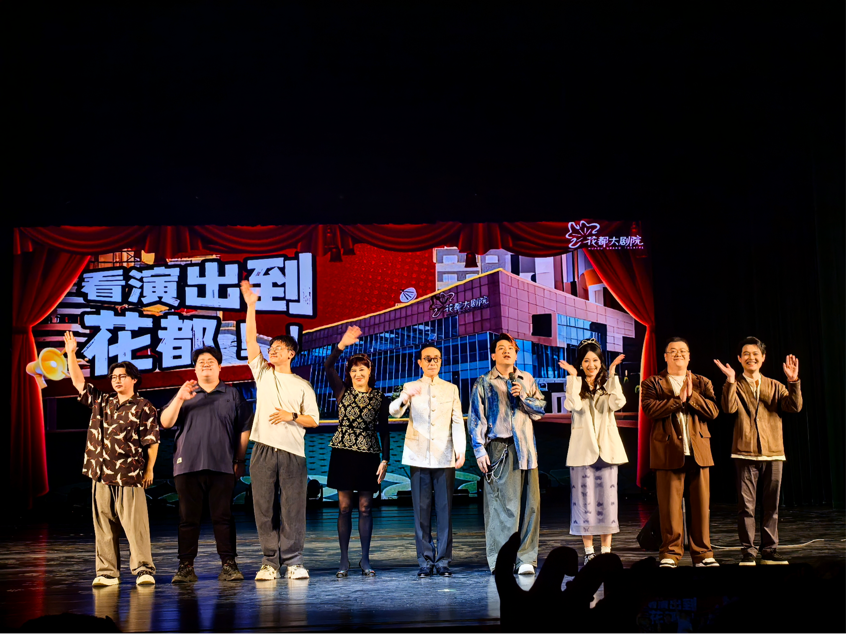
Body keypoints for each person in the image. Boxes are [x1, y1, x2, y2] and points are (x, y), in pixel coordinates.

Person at [63, 331, 160, 586]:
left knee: (135, 525)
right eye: (114, 377)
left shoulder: (144, 406)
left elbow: (152, 441)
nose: (117, 380)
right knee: (103, 525)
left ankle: (143, 569)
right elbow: (78, 383)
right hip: (100, 473)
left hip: (129, 473)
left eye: (122, 376)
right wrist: (71, 353)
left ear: (134, 379)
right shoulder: (102, 402)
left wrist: (149, 470)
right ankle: (107, 572)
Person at [240, 280, 320, 580]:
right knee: (263, 507)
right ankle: (269, 562)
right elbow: (250, 341)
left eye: (279, 349)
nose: (272, 351)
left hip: (292, 453)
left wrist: (292, 416)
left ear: (291, 354)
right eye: (271, 348)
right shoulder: (263, 373)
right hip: (262, 448)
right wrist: (251, 306)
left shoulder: (302, 385)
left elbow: (313, 420)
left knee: (293, 508)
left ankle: (294, 561)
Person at [159, 346, 254, 583]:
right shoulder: (186, 392)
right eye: (200, 361)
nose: (205, 364)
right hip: (187, 466)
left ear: (220, 366)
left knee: (223, 517)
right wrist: (179, 398)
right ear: (195, 368)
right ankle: (185, 567)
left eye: (211, 361)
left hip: (222, 465)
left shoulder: (232, 394)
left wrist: (240, 460)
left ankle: (229, 565)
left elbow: (244, 428)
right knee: (188, 519)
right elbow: (165, 423)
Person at [714, 337, 802, 565]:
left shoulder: (775, 385)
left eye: (755, 354)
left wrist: (793, 381)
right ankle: (748, 551)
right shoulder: (735, 383)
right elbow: (728, 408)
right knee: (746, 507)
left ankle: (769, 550)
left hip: (773, 452)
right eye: (746, 354)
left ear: (763, 358)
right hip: (744, 452)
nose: (750, 357)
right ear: (739, 358)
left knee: (771, 506)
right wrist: (730, 381)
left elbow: (794, 407)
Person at [468, 333, 546, 575]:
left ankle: (526, 558)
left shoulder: (526, 379)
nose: (506, 351)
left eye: (510, 348)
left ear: (516, 354)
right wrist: (479, 450)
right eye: (501, 348)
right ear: (493, 355)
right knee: (502, 507)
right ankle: (502, 560)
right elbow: (476, 419)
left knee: (530, 505)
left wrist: (523, 396)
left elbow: (540, 411)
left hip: (526, 449)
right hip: (500, 448)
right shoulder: (484, 382)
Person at [641, 337, 720, 568]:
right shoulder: (652, 383)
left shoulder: (702, 382)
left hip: (698, 451)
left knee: (701, 508)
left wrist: (692, 397)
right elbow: (650, 409)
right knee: (669, 508)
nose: (679, 354)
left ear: (689, 356)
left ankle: (703, 554)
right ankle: (670, 553)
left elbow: (713, 411)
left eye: (683, 351)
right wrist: (678, 400)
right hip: (667, 451)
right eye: (673, 351)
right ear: (665, 356)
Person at [390, 343, 466, 577]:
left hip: (444, 455)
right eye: (428, 358)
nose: (432, 362)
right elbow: (394, 411)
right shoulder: (410, 386)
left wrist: (460, 449)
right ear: (420, 362)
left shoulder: (451, 389)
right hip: (418, 454)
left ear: (441, 362)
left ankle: (443, 560)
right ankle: (425, 560)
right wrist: (405, 397)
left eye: (436, 358)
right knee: (421, 511)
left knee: (444, 511)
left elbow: (457, 420)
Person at [324, 326, 390, 577]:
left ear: (370, 372)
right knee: (344, 508)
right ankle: (344, 560)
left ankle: (365, 559)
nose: (358, 373)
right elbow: (328, 366)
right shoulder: (342, 391)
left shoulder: (380, 398)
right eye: (353, 370)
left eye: (362, 369)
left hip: (369, 456)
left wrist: (385, 459)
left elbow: (384, 430)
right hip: (343, 455)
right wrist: (342, 344)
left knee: (365, 508)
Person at [559, 339, 628, 566]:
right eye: (586, 361)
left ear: (601, 362)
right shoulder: (575, 385)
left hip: (607, 451)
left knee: (608, 502)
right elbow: (573, 405)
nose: (591, 365)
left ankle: (606, 551)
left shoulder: (607, 385)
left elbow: (618, 403)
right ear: (580, 363)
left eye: (595, 360)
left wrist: (613, 374)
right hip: (582, 452)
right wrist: (572, 377)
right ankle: (589, 551)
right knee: (584, 503)